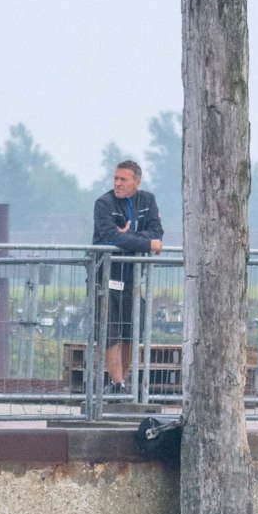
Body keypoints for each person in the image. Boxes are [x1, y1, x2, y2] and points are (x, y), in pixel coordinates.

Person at [91, 159, 164, 392]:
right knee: (110, 329)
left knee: (131, 330)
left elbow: (157, 233)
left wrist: (131, 236)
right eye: (115, 178)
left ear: (137, 181)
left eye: (123, 179)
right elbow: (110, 237)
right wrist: (144, 242)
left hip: (132, 277)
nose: (117, 183)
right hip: (105, 276)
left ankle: (121, 384)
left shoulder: (147, 200)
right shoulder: (103, 203)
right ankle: (116, 383)